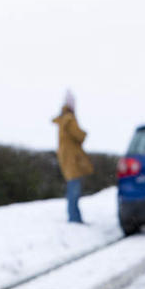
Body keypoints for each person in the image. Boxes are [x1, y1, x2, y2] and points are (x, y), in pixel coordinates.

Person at [52, 92, 93, 223]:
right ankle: (74, 219)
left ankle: (74, 217)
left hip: (66, 158)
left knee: (72, 189)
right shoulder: (69, 119)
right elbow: (79, 135)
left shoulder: (63, 118)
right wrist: (84, 134)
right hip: (73, 160)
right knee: (74, 190)